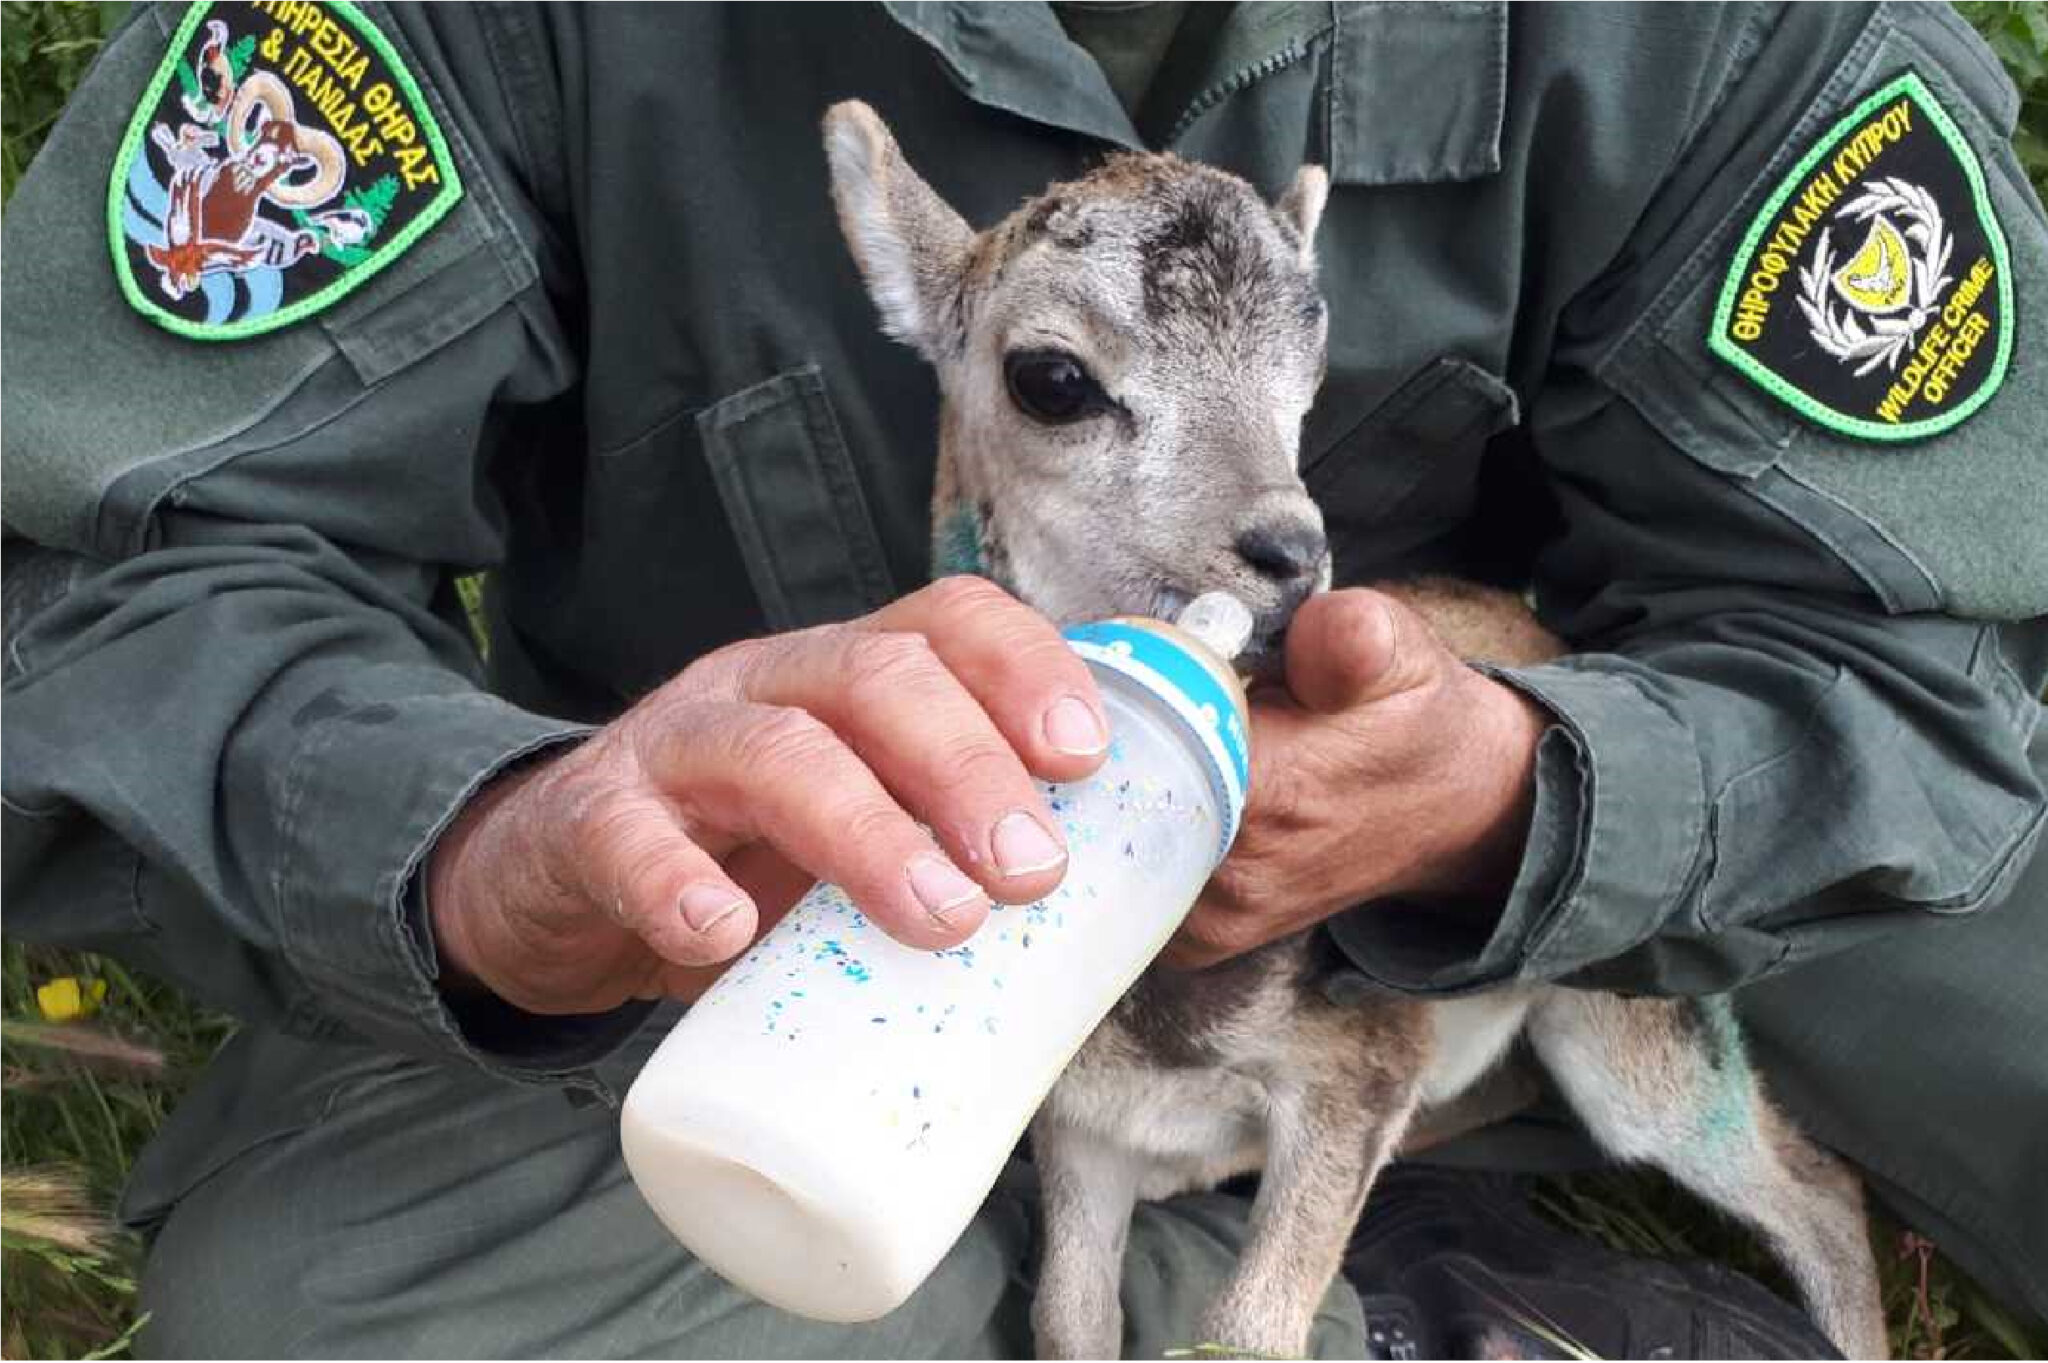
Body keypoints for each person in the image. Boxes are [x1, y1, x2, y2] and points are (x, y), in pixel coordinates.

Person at [4, 2, 2045, 1355]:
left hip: (1556, 944)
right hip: (756, 988)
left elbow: (1920, 660)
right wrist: (502, 850)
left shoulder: (1751, 34)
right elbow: (102, 573)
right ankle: (1392, 1312)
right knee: (341, 1317)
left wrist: (1528, 789)